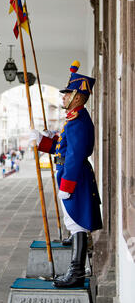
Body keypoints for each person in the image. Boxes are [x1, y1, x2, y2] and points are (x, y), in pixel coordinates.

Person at [29, 60, 102, 288]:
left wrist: (67, 185)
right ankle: (76, 256)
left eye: (67, 93)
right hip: (70, 174)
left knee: (77, 222)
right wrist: (44, 142)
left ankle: (76, 272)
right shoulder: (73, 119)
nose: (63, 97)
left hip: (75, 176)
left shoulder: (78, 120)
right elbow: (63, 148)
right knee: (73, 220)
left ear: (78, 97)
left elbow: (75, 154)